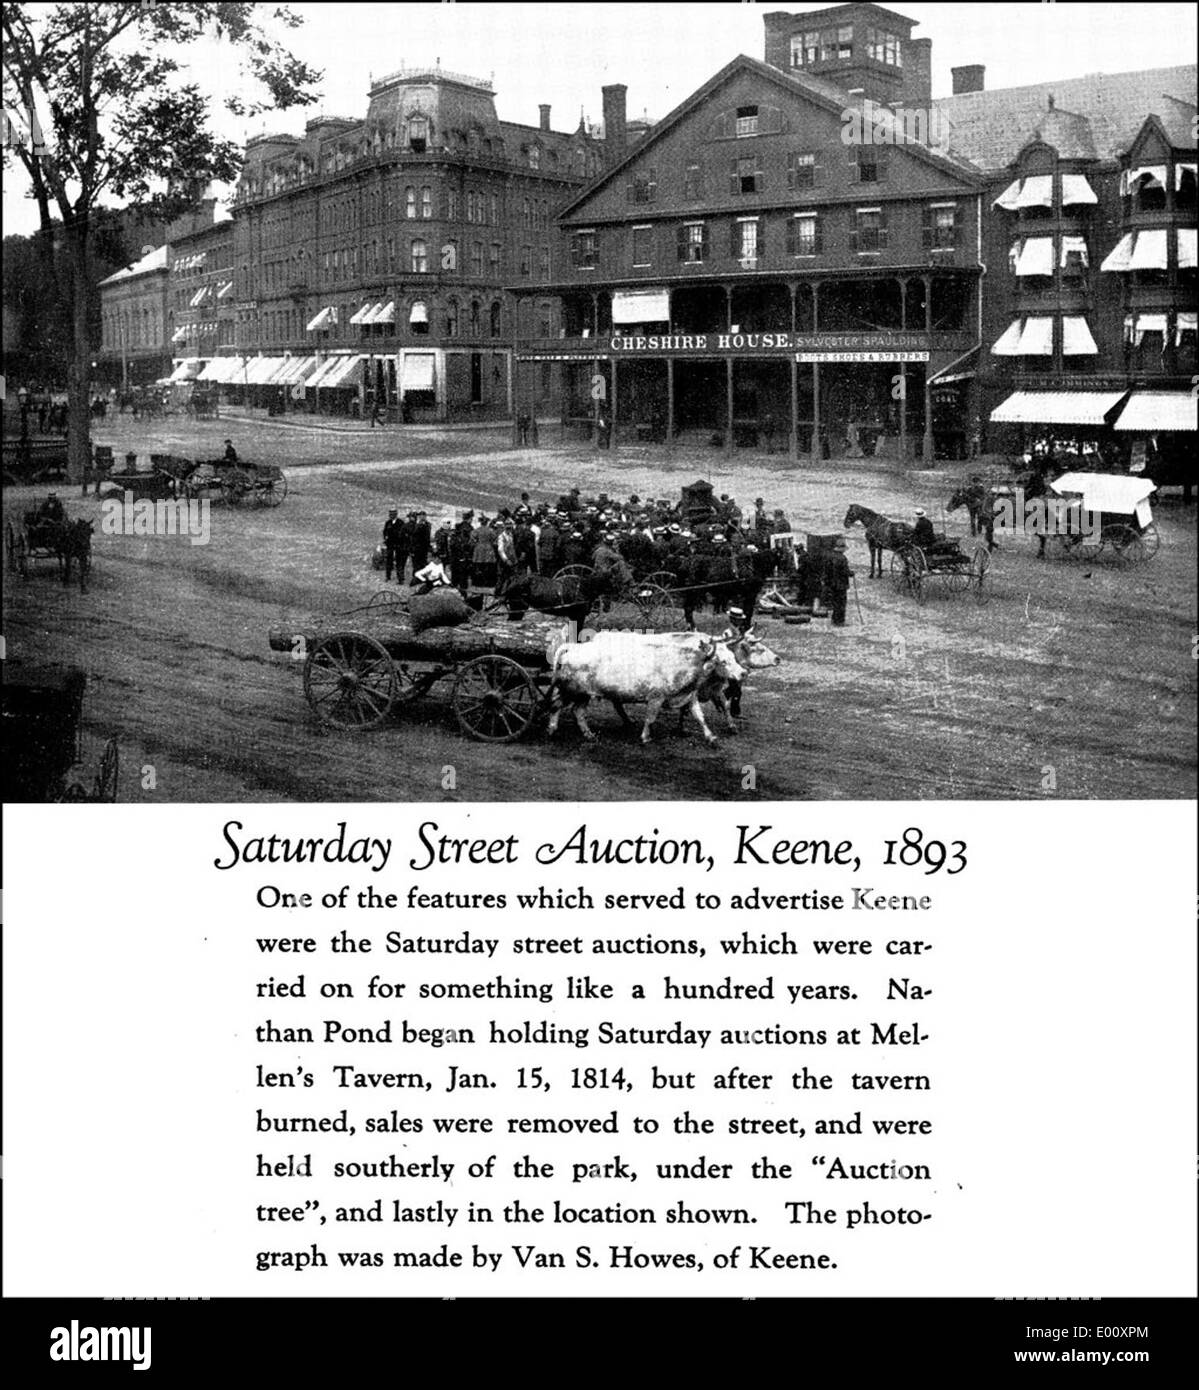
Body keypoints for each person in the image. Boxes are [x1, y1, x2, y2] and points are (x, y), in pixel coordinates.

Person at [824, 537, 853, 627]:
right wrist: (851, 573)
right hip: (841, 584)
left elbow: (827, 570)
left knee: (835, 602)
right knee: (841, 603)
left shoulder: (830, 557)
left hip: (832, 584)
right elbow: (845, 572)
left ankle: (834, 619)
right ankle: (840, 621)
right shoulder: (843, 559)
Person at [383, 507, 408, 584]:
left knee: (399, 562)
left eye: (393, 514)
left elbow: (402, 534)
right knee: (388, 561)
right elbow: (385, 532)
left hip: (398, 546)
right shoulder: (388, 523)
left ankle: (400, 579)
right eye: (390, 514)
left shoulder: (401, 523)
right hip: (390, 545)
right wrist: (386, 539)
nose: (391, 515)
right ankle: (388, 576)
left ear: (396, 514)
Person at [409, 511, 431, 577]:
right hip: (417, 547)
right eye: (421, 516)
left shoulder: (428, 524)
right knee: (416, 563)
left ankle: (422, 577)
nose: (422, 517)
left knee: (423, 563)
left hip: (424, 547)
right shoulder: (416, 525)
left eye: (423, 515)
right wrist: (412, 548)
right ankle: (415, 577)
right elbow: (413, 537)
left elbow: (427, 536)